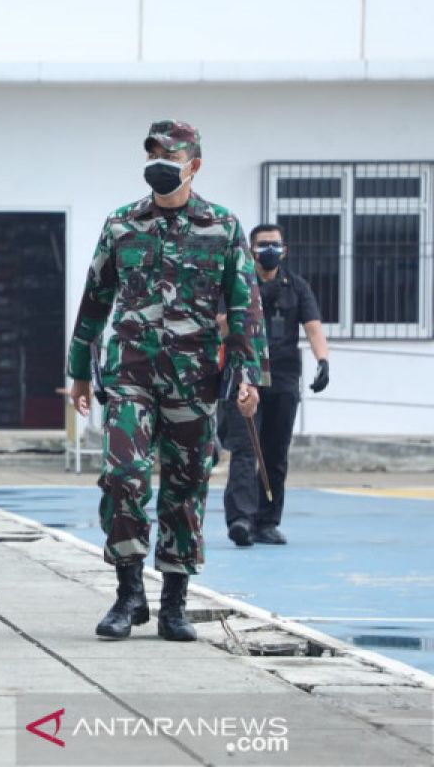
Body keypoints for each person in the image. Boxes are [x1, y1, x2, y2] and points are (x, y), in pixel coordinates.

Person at [67, 120, 269, 643]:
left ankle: (174, 602)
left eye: (169, 152)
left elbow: (246, 306)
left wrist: (248, 375)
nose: (159, 159)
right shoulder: (121, 224)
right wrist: (78, 370)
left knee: (186, 488)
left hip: (194, 380)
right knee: (123, 477)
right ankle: (129, 593)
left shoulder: (223, 227)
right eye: (153, 150)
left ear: (193, 164)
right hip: (130, 373)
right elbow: (95, 298)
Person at [222, 224, 328, 547]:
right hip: (244, 376)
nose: (270, 250)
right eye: (263, 245)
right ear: (251, 251)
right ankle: (240, 518)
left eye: (275, 245)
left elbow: (312, 327)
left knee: (275, 452)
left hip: (282, 378)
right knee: (244, 448)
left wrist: (323, 361)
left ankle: (266, 521)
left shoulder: (296, 287)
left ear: (285, 250)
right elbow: (220, 326)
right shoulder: (238, 285)